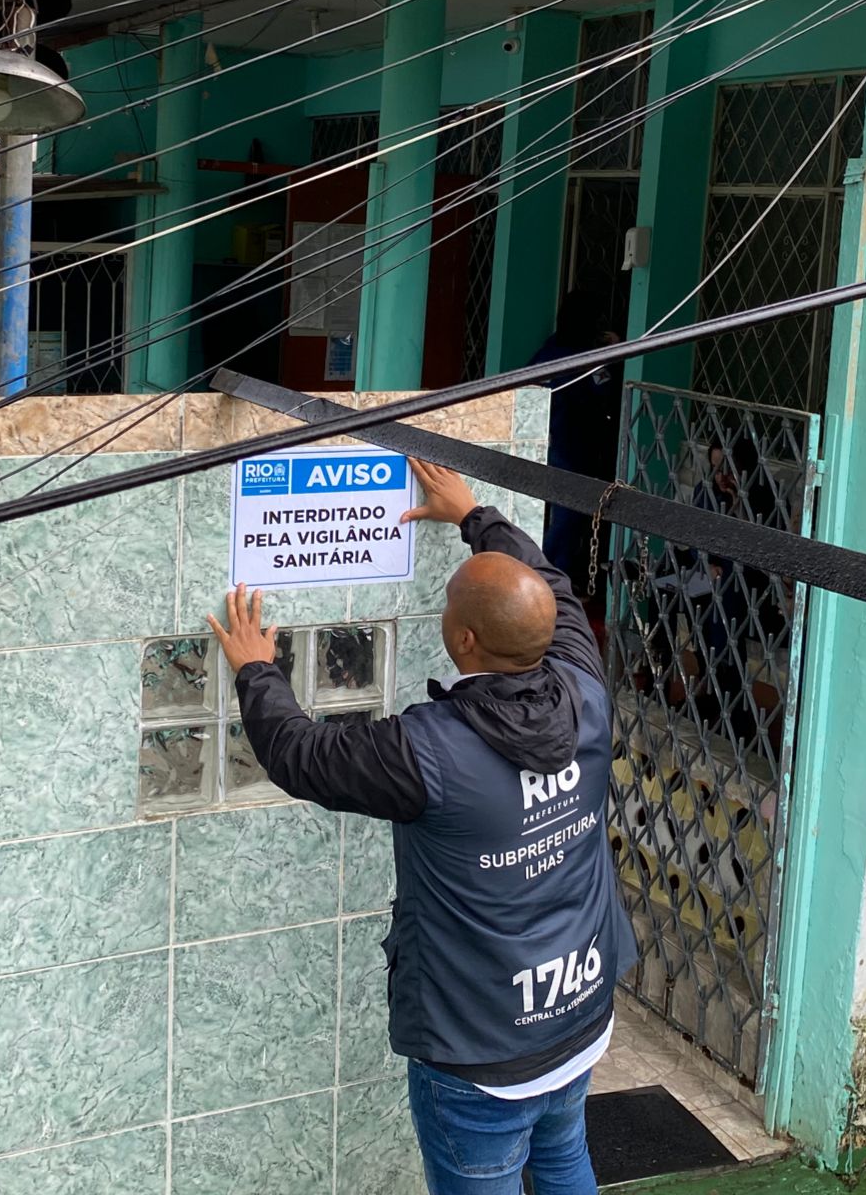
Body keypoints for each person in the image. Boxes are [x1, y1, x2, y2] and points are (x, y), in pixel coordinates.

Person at [207, 459, 636, 1195]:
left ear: (464, 642)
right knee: (565, 1159)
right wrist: (476, 516)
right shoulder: (583, 683)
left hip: (482, 1053)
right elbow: (553, 588)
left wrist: (256, 670)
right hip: (578, 1017)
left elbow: (303, 756)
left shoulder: (429, 752)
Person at [528, 284, 624, 585]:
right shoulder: (581, 358)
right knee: (568, 517)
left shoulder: (550, 349)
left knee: (551, 516)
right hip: (570, 446)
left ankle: (541, 575)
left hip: (544, 440)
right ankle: (551, 579)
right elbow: (602, 392)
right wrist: (610, 355)